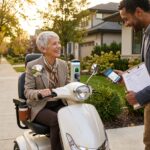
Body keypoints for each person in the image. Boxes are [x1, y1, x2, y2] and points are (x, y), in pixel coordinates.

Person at [24, 31, 70, 150]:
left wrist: (77, 88)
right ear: (43, 48)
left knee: (73, 115)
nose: (59, 46)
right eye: (54, 44)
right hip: (40, 106)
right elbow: (28, 91)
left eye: (59, 43)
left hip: (59, 102)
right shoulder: (34, 66)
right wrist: (39, 93)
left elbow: (68, 84)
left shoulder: (63, 65)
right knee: (56, 119)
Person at [117, 0, 150, 149]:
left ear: (138, 12)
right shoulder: (146, 33)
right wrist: (128, 77)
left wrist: (139, 96)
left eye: (126, 18)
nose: (126, 24)